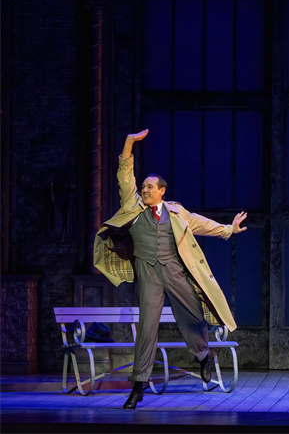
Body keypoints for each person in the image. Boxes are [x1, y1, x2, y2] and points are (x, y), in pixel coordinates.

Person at [93, 129, 247, 409]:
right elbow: (124, 176)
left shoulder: (177, 212)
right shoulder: (133, 208)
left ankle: (203, 356)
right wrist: (128, 143)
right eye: (143, 186)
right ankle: (138, 386)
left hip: (174, 270)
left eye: (150, 187)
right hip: (148, 273)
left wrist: (228, 229)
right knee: (146, 328)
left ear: (162, 191)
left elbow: (201, 224)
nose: (144, 190)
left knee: (193, 314)